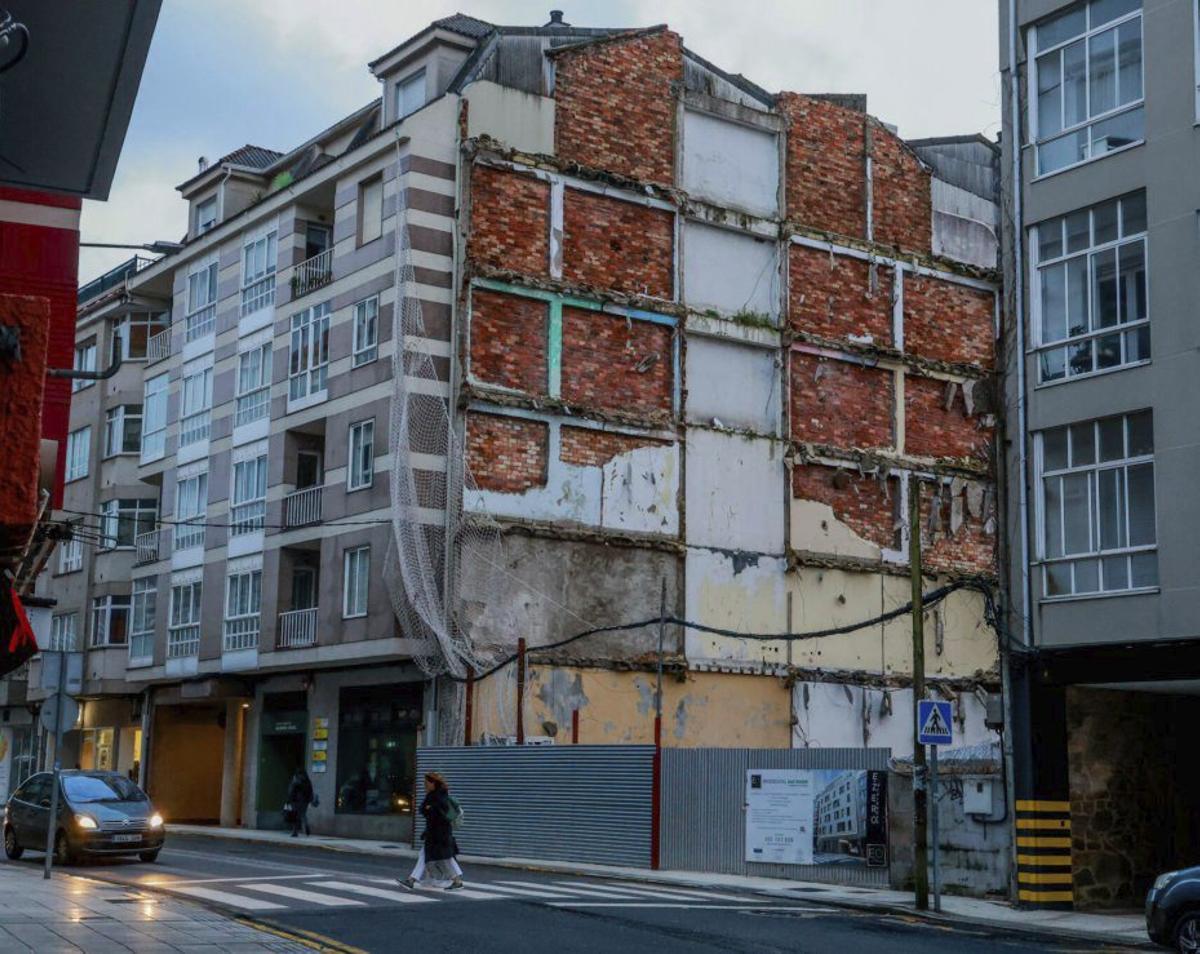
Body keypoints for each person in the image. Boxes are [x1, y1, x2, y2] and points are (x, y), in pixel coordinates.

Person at [398, 772, 463, 891]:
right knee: (437, 856)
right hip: (437, 833)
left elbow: (433, 813)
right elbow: (424, 809)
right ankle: (411, 880)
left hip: (438, 834)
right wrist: (428, 809)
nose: (425, 785)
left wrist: (429, 809)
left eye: (426, 782)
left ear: (433, 783)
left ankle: (411, 880)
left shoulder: (437, 796)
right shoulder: (437, 795)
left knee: (444, 857)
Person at [286, 767, 314, 837]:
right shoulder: (307, 781)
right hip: (305, 801)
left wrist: (289, 800)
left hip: (296, 800)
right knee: (303, 815)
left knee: (294, 816)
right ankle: (306, 825)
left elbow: (291, 791)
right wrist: (309, 799)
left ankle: (295, 832)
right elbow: (310, 791)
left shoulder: (296, 780)